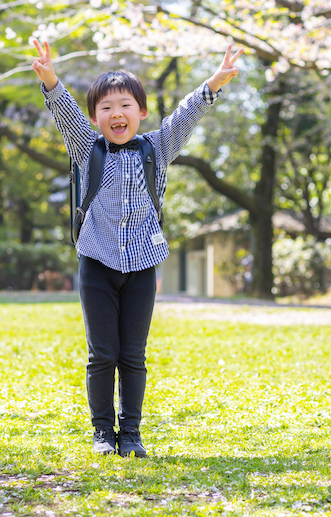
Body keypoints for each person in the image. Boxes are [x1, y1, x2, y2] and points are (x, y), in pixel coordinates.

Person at [32, 39, 243, 457]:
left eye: (125, 105)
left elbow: (185, 116)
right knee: (101, 355)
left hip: (142, 265)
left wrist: (214, 82)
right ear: (96, 118)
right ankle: (101, 433)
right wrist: (51, 80)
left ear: (140, 112)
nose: (116, 114)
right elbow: (66, 114)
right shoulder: (86, 148)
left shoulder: (156, 149)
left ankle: (131, 433)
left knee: (132, 355)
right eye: (106, 108)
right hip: (96, 262)